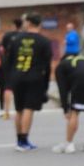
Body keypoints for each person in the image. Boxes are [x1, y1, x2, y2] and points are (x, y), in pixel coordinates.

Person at [53, 22, 84, 153]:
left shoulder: (61, 67)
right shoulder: (82, 59)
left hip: (82, 81)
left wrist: (66, 108)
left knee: (75, 112)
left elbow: (63, 90)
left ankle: (69, 144)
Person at [7, 13, 54, 152]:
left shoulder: (16, 39)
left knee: (19, 109)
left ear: (28, 23)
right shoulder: (44, 42)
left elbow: (9, 60)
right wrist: (46, 85)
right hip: (34, 78)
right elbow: (47, 65)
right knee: (29, 108)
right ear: (39, 24)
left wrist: (10, 79)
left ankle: (18, 140)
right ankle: (24, 139)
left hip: (17, 76)